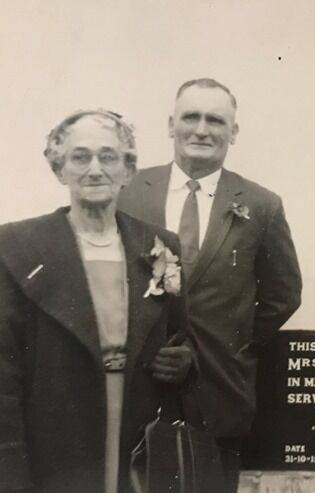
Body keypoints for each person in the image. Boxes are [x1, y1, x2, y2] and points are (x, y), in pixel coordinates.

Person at [118, 78, 302, 492]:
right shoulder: (127, 192)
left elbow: (283, 294)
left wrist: (223, 343)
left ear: (233, 132)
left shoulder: (260, 204)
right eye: (191, 117)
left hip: (216, 392)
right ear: (171, 125)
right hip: (134, 392)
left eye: (215, 120)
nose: (202, 129)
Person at [0, 110, 194, 493]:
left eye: (108, 157)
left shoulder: (158, 244)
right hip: (56, 438)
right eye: (79, 157)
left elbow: (179, 335)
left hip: (135, 437)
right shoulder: (17, 247)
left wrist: (185, 359)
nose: (94, 169)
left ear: (128, 169)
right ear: (59, 169)